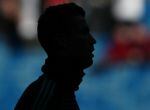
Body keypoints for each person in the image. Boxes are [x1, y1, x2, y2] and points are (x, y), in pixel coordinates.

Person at [15, 3, 96, 110]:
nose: (93, 40)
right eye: (84, 32)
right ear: (61, 41)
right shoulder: (47, 98)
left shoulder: (61, 91)